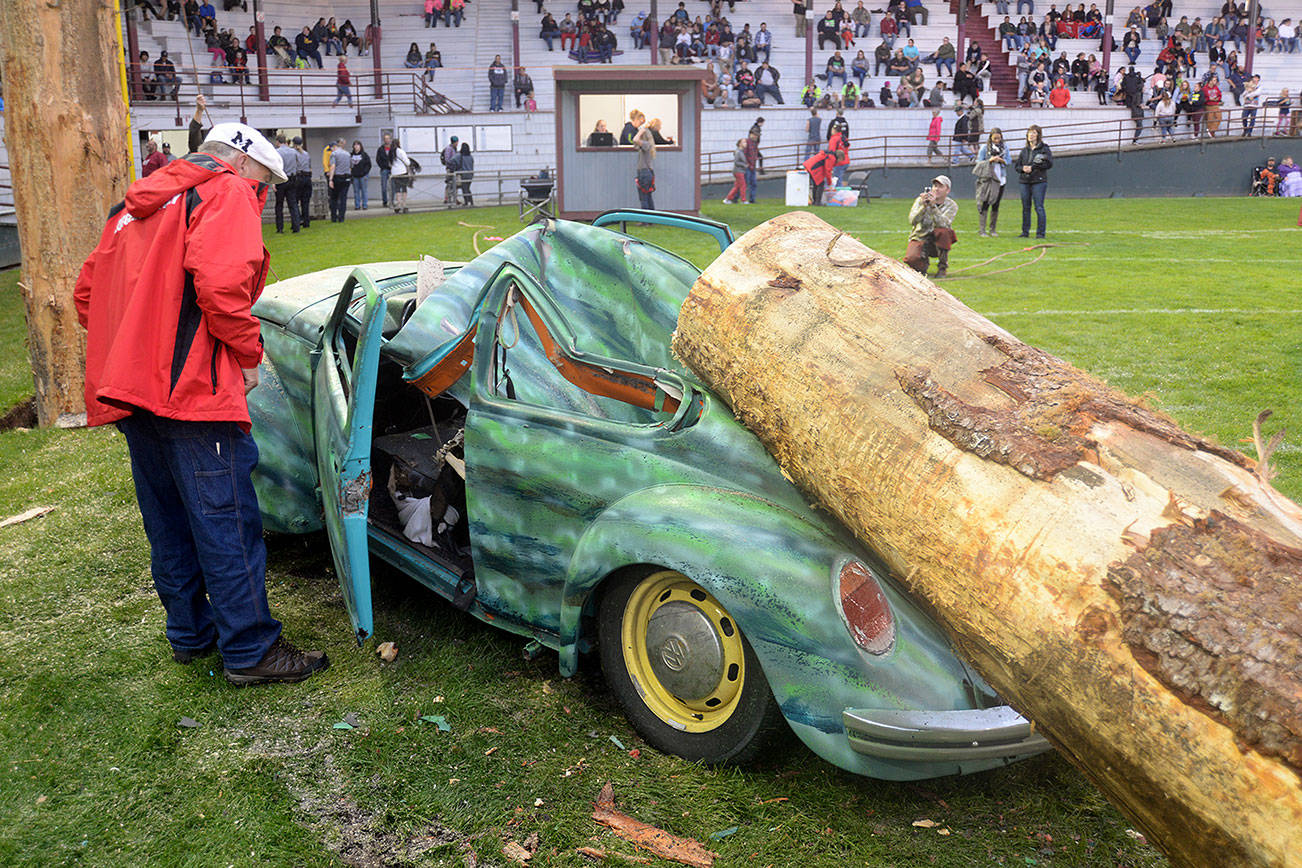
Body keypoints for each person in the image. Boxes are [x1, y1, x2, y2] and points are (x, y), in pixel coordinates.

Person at [74, 122, 329, 686]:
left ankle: (190, 634)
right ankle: (250, 649)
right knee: (226, 521)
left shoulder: (132, 207)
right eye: (263, 185)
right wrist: (247, 353)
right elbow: (220, 284)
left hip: (133, 394)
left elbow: (87, 295)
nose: (260, 199)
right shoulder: (226, 190)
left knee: (167, 518)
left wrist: (137, 345)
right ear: (242, 165)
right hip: (192, 394)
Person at [904, 175, 957, 278]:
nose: (936, 189)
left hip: (938, 240)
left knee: (944, 232)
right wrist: (923, 207)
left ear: (948, 190)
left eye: (940, 186)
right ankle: (922, 265)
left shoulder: (951, 205)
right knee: (911, 259)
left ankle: (942, 267)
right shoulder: (920, 200)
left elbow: (944, 224)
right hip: (920, 237)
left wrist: (933, 207)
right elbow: (912, 221)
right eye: (935, 186)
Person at [1015, 124, 1052, 238]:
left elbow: (1049, 163)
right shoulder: (1024, 151)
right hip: (1024, 181)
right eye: (1030, 132)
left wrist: (1034, 168)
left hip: (1039, 181)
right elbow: (1017, 166)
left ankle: (1040, 233)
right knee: (1026, 207)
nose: (1031, 135)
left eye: (1034, 133)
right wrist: (1023, 169)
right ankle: (1025, 232)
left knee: (1039, 207)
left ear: (1038, 135)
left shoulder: (1044, 149)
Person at [974, 128, 1007, 236]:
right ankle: (982, 230)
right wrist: (990, 160)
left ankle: (993, 229)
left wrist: (1002, 160)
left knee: (996, 204)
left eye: (999, 138)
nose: (997, 140)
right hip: (988, 179)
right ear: (991, 138)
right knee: (985, 202)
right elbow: (979, 162)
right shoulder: (985, 148)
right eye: (995, 138)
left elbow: (1009, 161)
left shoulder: (1005, 148)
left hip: (1000, 178)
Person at [272, 134, 301, 233]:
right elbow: (298, 164)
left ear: (277, 141)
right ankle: (296, 226)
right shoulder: (294, 152)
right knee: (293, 203)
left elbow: (275, 167)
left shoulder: (276, 152)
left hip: (281, 179)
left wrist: (273, 182)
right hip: (292, 178)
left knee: (279, 204)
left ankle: (280, 228)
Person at [327, 138, 351, 222]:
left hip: (337, 177)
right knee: (343, 198)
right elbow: (350, 166)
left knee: (334, 198)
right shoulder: (347, 154)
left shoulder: (334, 154)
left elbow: (333, 166)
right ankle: (341, 217)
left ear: (334, 147)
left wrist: (330, 179)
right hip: (347, 178)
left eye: (331, 148)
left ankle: (334, 217)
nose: (331, 150)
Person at [633, 119, 656, 210]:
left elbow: (635, 139)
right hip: (648, 173)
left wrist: (641, 132)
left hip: (644, 173)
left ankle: (645, 220)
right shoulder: (648, 145)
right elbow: (635, 144)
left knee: (643, 198)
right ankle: (652, 219)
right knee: (648, 197)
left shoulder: (646, 144)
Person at [390, 138, 413, 213]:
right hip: (402, 171)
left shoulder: (391, 152)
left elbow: (389, 163)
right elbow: (407, 162)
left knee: (397, 189)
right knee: (404, 188)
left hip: (394, 172)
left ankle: (398, 204)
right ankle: (404, 205)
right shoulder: (401, 151)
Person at [375, 132, 397, 209]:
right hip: (384, 169)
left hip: (392, 170)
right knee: (384, 186)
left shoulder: (393, 149)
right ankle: (385, 201)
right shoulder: (380, 149)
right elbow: (378, 159)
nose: (387, 140)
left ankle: (392, 201)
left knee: (393, 186)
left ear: (390, 139)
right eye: (385, 139)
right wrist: (383, 166)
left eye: (388, 138)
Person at [350, 141, 371, 211]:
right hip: (355, 176)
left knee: (364, 191)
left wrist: (365, 172)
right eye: (355, 145)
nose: (356, 146)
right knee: (356, 191)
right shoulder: (351, 155)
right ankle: (357, 205)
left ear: (360, 146)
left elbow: (368, 165)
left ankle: (365, 205)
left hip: (363, 176)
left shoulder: (364, 155)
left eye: (358, 145)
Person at [440, 135, 460, 204]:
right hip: (450, 169)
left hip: (455, 169)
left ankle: (455, 198)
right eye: (457, 142)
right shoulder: (449, 149)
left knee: (455, 184)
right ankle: (447, 198)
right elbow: (447, 159)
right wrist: (454, 162)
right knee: (449, 183)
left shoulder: (454, 148)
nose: (457, 143)